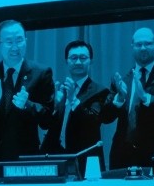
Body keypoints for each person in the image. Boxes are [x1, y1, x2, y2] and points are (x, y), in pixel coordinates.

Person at [0, 20, 54, 181]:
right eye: (9, 42)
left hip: (22, 160)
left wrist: (27, 105)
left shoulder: (41, 73)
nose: (15, 47)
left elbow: (48, 119)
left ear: (26, 41)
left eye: (19, 40)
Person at [101, 27, 154, 170]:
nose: (143, 48)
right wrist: (119, 99)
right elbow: (106, 117)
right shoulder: (123, 80)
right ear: (132, 47)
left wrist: (145, 97)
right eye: (138, 44)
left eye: (148, 43)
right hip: (123, 157)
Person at [40, 40, 109, 176]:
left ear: (91, 61)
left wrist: (73, 100)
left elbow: (92, 121)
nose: (78, 62)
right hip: (55, 158)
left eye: (83, 58)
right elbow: (45, 124)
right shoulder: (59, 90)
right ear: (66, 61)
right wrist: (54, 106)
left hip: (84, 159)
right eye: (73, 58)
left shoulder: (100, 91)